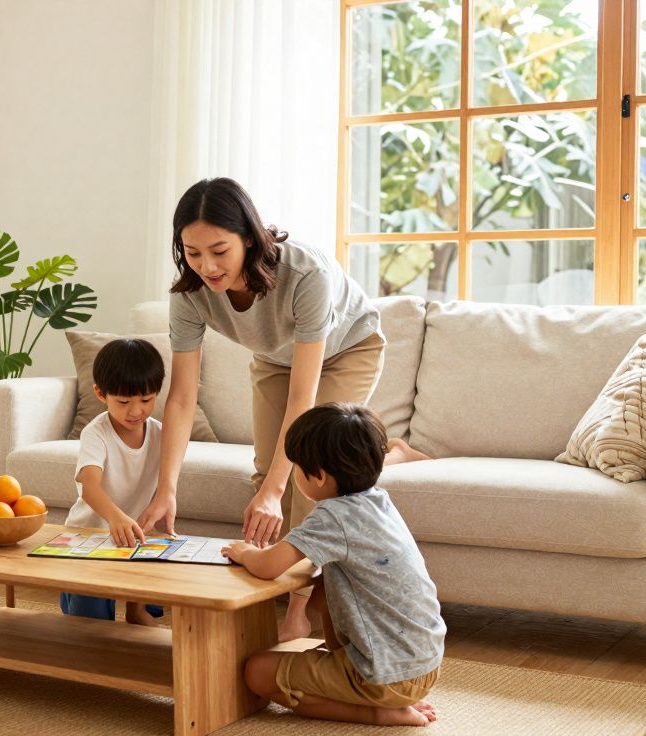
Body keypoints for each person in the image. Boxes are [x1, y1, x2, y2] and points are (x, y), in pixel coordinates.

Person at [135, 177, 430, 641]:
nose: (208, 266)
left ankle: (298, 608)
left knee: (308, 474)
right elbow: (182, 397)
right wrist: (166, 489)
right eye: (193, 253)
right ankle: (388, 453)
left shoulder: (305, 273)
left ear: (249, 239)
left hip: (347, 350)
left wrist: (278, 490)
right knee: (265, 473)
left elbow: (303, 396)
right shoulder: (190, 296)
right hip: (276, 361)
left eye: (219, 250)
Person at [223, 403, 445, 727]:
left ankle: (377, 711)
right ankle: (381, 694)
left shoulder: (333, 516)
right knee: (326, 584)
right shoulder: (378, 500)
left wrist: (244, 552)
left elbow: (269, 566)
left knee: (256, 672)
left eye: (298, 467)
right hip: (423, 663)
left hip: (384, 674)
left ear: (321, 475)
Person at [60, 338, 167, 626]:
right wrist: (116, 518)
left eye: (146, 400)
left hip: (133, 538)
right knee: (89, 621)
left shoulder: (160, 433)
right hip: (88, 536)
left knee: (158, 579)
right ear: (100, 393)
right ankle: (76, 601)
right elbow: (91, 488)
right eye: (123, 402)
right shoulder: (97, 433)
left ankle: (137, 610)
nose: (136, 411)